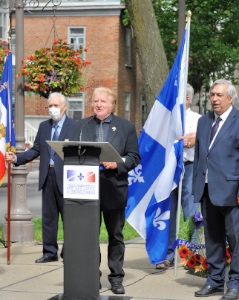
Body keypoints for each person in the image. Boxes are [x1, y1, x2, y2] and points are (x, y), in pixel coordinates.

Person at [70, 86, 140, 294]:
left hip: (114, 188)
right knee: (90, 236)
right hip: (86, 187)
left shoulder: (126, 127)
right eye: (95, 101)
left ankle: (116, 278)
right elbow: (72, 151)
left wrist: (117, 164)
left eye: (103, 101)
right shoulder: (81, 126)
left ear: (112, 105)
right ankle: (92, 276)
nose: (98, 104)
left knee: (115, 235)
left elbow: (134, 156)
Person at [5, 92, 76, 263]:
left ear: (64, 107)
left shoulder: (75, 126)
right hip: (47, 175)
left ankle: (70, 252)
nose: (52, 109)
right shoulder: (45, 127)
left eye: (55, 106)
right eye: (50, 106)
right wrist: (16, 158)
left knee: (69, 217)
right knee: (49, 217)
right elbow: (36, 149)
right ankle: (49, 252)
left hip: (67, 178)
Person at [193, 79, 239, 300]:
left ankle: (236, 284)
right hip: (207, 190)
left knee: (236, 239)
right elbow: (200, 156)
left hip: (232, 192)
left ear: (231, 98)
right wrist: (196, 188)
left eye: (219, 95)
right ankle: (215, 281)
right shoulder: (204, 122)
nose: (214, 99)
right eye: (212, 95)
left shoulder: (238, 120)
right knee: (212, 238)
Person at [156, 84, 201, 270]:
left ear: (187, 99)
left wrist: (194, 140)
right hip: (168, 169)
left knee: (190, 211)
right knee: (168, 210)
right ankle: (168, 252)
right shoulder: (165, 119)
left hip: (189, 168)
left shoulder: (199, 120)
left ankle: (192, 254)